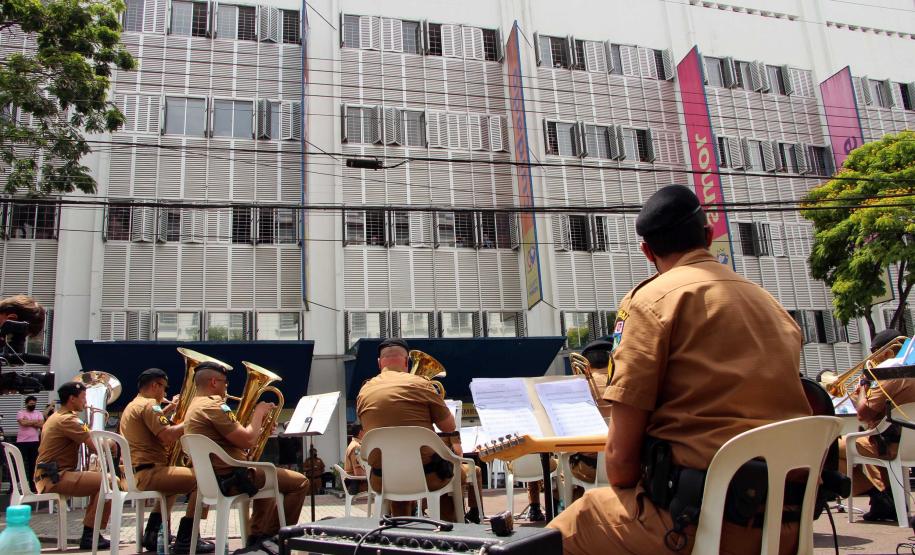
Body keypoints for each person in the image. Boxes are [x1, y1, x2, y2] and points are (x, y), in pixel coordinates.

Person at [548, 185, 812, 554]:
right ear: (708, 236)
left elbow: (621, 465)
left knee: (571, 526)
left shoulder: (651, 301)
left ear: (647, 251)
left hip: (694, 526)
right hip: (787, 526)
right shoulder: (771, 304)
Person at [356, 338, 482, 523]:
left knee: (398, 474)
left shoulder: (363, 391)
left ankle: (401, 530)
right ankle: (451, 530)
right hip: (427, 476)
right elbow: (449, 427)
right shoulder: (422, 384)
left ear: (379, 363)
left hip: (382, 478)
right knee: (452, 471)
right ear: (407, 361)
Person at [184, 361, 308, 545]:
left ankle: (257, 538)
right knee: (300, 482)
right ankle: (274, 539)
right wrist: (258, 413)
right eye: (224, 382)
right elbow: (248, 440)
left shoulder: (194, 406)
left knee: (269, 481)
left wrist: (258, 426)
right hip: (232, 477)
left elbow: (239, 440)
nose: (227, 386)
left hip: (217, 477)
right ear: (213, 382)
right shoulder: (214, 406)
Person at [119, 368, 215, 553]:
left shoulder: (135, 404)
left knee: (173, 483)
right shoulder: (149, 405)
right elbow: (168, 436)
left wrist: (171, 409)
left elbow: (154, 424)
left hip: (137, 473)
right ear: (155, 385)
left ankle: (153, 533)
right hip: (149, 473)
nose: (165, 393)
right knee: (204, 479)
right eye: (163, 388)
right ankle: (188, 537)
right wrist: (195, 419)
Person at [837, 328, 915, 522]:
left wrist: (863, 387)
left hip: (891, 446)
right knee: (868, 436)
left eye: (875, 352)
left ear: (888, 352)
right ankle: (886, 497)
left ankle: (879, 494)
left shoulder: (890, 374)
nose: (872, 357)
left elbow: (863, 414)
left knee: (829, 449)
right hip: (906, 444)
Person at [35, 381, 112, 549]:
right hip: (54, 478)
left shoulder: (56, 417)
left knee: (103, 481)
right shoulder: (68, 419)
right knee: (108, 481)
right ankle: (91, 535)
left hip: (50, 475)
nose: (86, 402)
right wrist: (116, 444)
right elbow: (96, 445)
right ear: (72, 399)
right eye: (83, 397)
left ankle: (91, 533)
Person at [567, 340, 615, 494]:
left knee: (561, 470)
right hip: (626, 463)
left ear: (586, 362)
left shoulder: (579, 386)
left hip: (590, 468)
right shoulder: (622, 383)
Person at [16, 395, 43, 492]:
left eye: (34, 404)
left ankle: (33, 487)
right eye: (31, 403)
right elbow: (22, 423)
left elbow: (41, 425)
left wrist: (29, 422)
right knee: (20, 463)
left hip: (34, 442)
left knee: (33, 465)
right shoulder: (21, 412)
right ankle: (16, 486)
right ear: (26, 403)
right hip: (22, 442)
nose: (33, 405)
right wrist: (35, 422)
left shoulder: (38, 413)